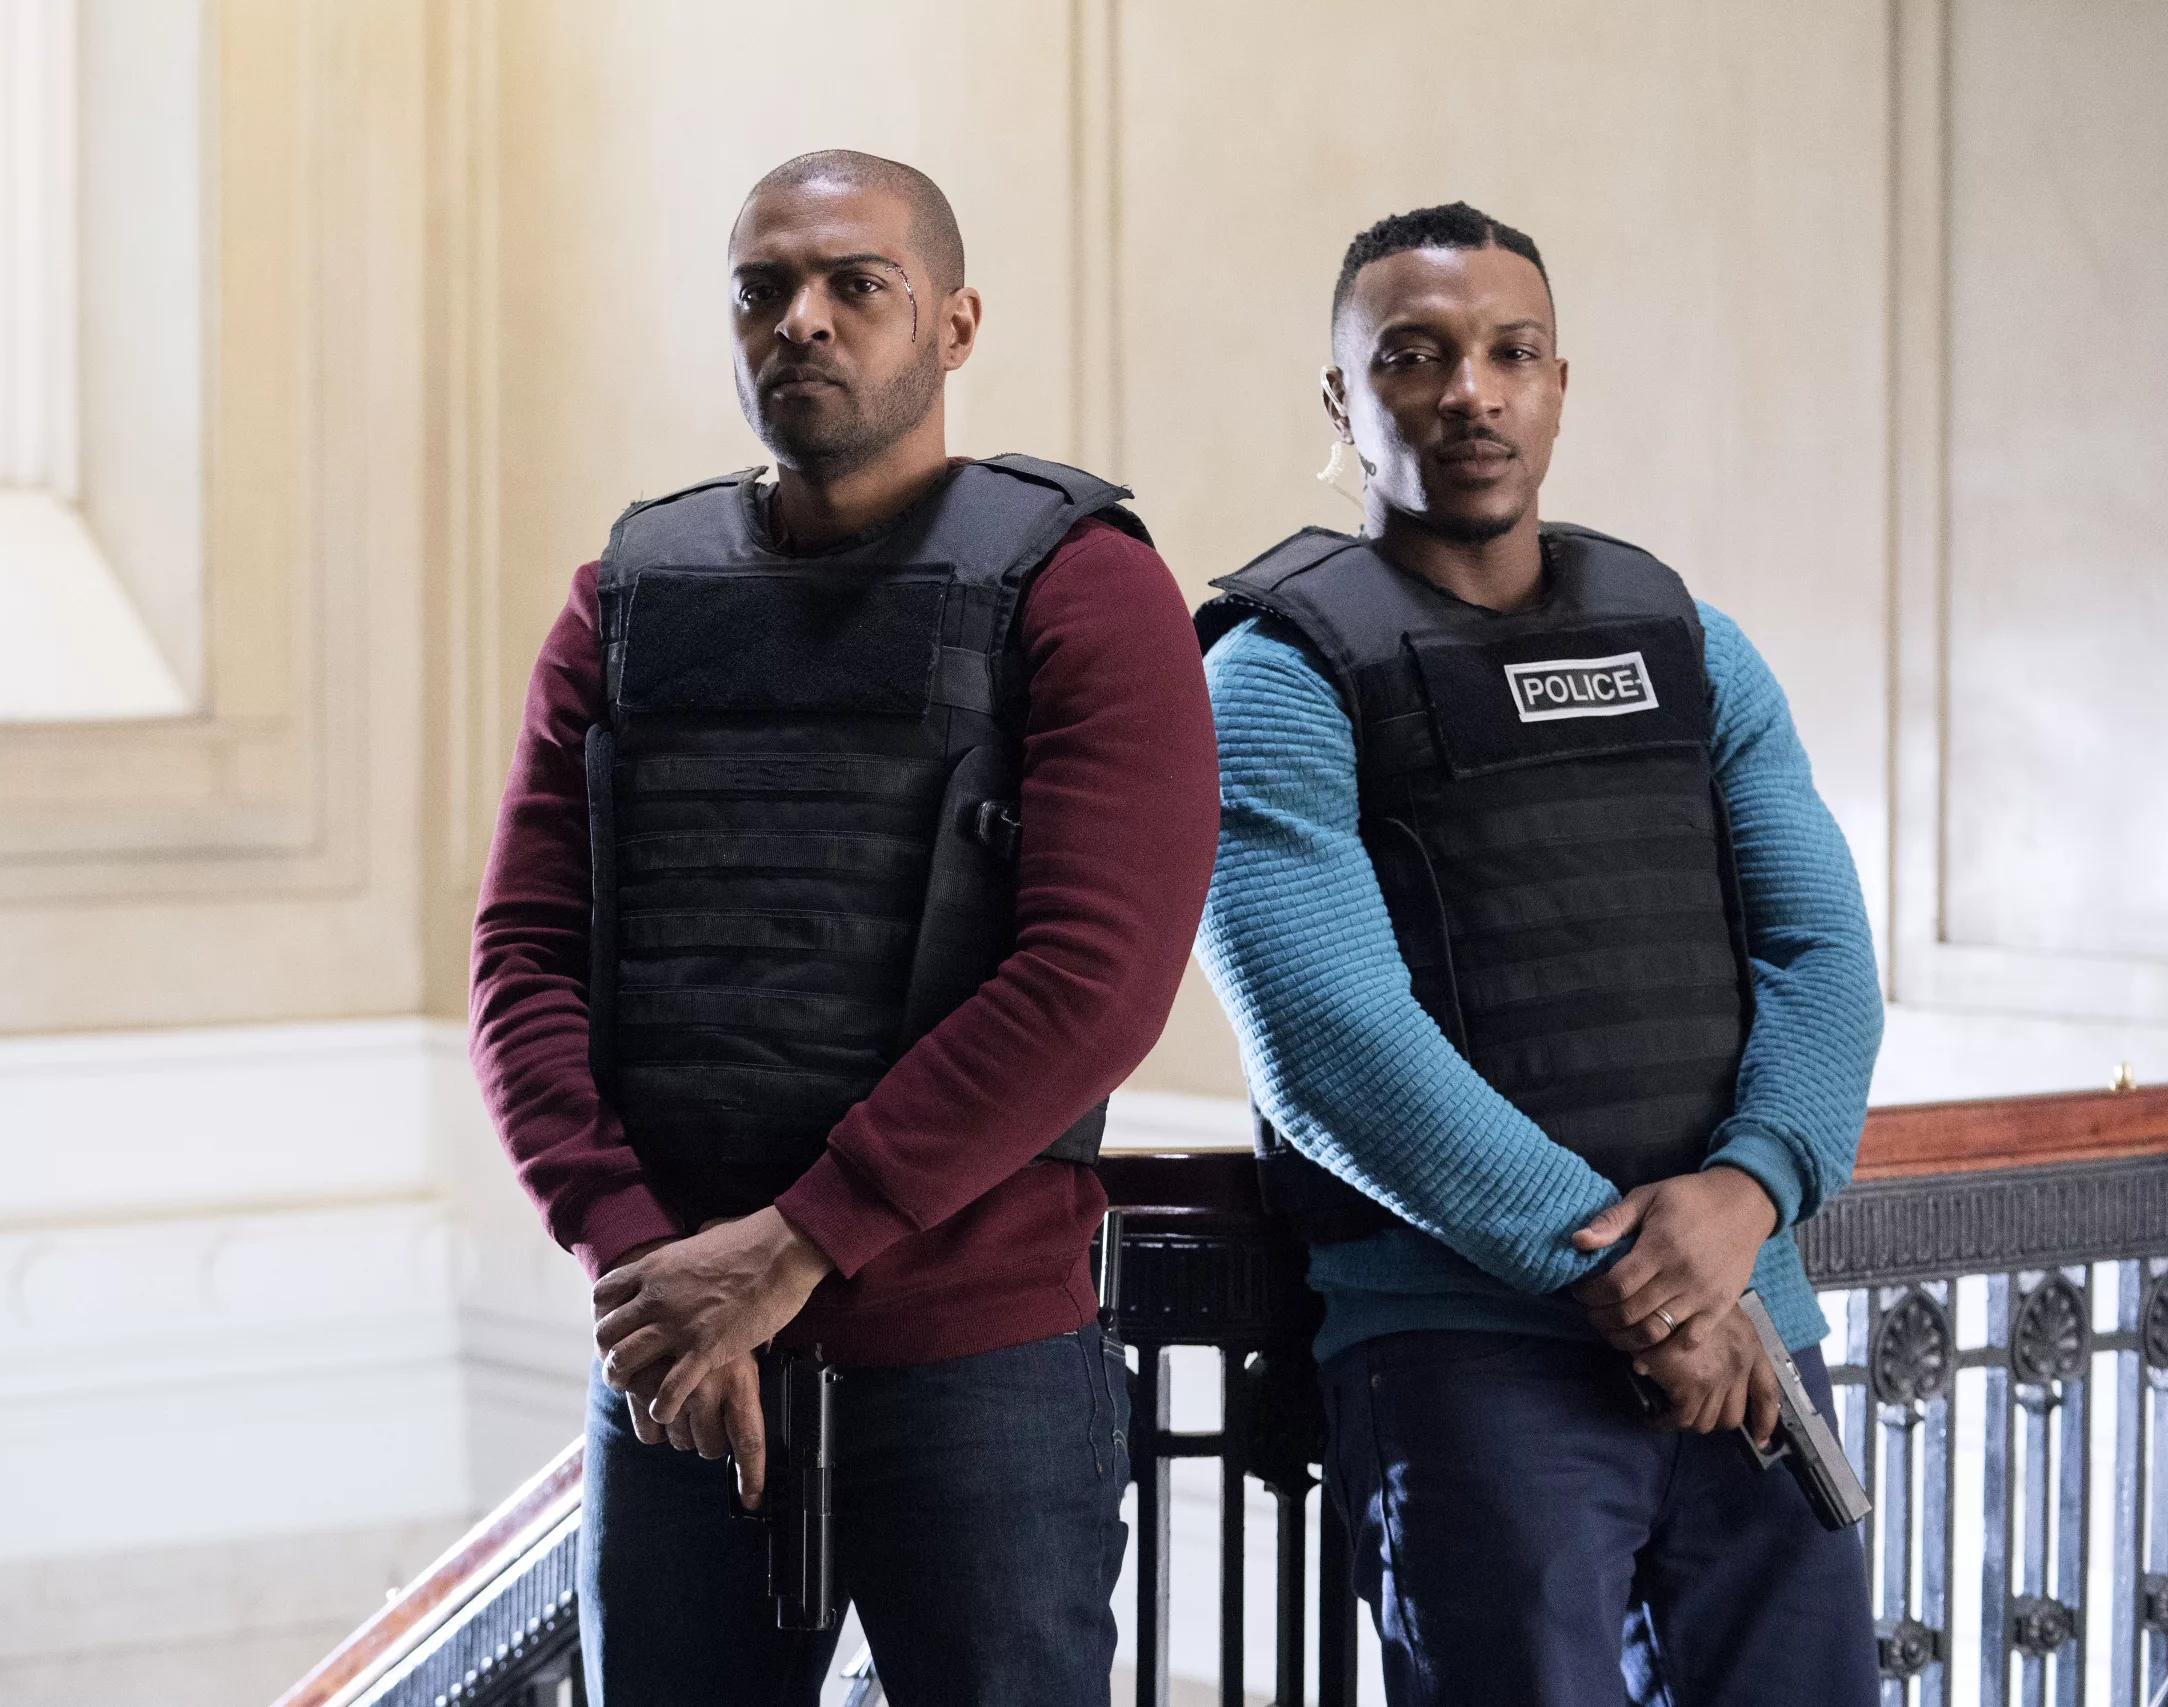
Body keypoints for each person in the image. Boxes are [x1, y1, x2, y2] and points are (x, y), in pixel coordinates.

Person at [468, 149, 1218, 1706]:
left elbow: (1092, 980)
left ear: (955, 324)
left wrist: (793, 1245)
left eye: (856, 284)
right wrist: (650, 1265)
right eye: (764, 289)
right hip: (678, 1359)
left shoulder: (1083, 588)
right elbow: (522, 961)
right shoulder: (627, 597)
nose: (801, 319)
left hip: (974, 1366)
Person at [1193, 201, 1885, 1706]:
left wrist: (1749, 1194)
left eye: (1512, 354)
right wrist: (1645, 1278)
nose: (1472, 393)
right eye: (1414, 357)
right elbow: (1332, 1050)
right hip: (1469, 1357)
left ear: (1559, 386)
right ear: (1343, 400)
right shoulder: (1274, 680)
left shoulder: (1691, 644)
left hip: (1754, 1332)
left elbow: (1825, 953)